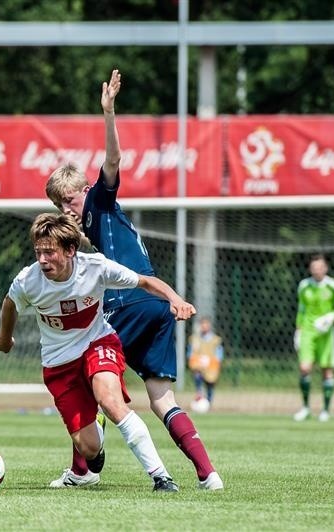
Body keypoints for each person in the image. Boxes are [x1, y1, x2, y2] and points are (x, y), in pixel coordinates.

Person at [45, 68, 223, 490]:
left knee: (86, 371)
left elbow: (112, 161)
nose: (68, 211)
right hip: (156, 307)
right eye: (61, 205)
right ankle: (208, 474)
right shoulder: (98, 224)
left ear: (81, 192)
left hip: (128, 303)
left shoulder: (98, 202)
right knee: (162, 399)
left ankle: (82, 472)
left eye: (67, 201)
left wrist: (108, 113)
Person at [0, 212, 194, 492]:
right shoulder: (28, 281)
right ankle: (93, 439)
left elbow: (146, 282)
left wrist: (176, 299)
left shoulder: (96, 267)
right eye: (38, 252)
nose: (42, 260)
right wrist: (5, 336)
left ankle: (161, 477)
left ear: (71, 250)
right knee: (88, 449)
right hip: (59, 364)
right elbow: (10, 304)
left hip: (98, 344)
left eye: (49, 253)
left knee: (111, 402)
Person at [293, 254, 334, 422]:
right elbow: (301, 309)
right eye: (313, 267)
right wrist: (298, 330)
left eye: (319, 267)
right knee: (304, 368)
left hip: (326, 333)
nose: (316, 270)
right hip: (308, 331)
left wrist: (329, 318)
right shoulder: (304, 286)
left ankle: (325, 410)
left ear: (325, 268)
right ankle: (306, 408)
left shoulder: (333, 286)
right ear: (310, 269)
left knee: (326, 371)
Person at [187, 316, 224, 411]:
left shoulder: (216, 340)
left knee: (210, 385)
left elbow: (218, 356)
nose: (204, 326)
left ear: (210, 326)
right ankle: (199, 394)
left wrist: (211, 363)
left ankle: (209, 403)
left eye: (206, 324)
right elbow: (190, 355)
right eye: (202, 324)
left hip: (211, 367)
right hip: (199, 367)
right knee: (198, 377)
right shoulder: (195, 339)